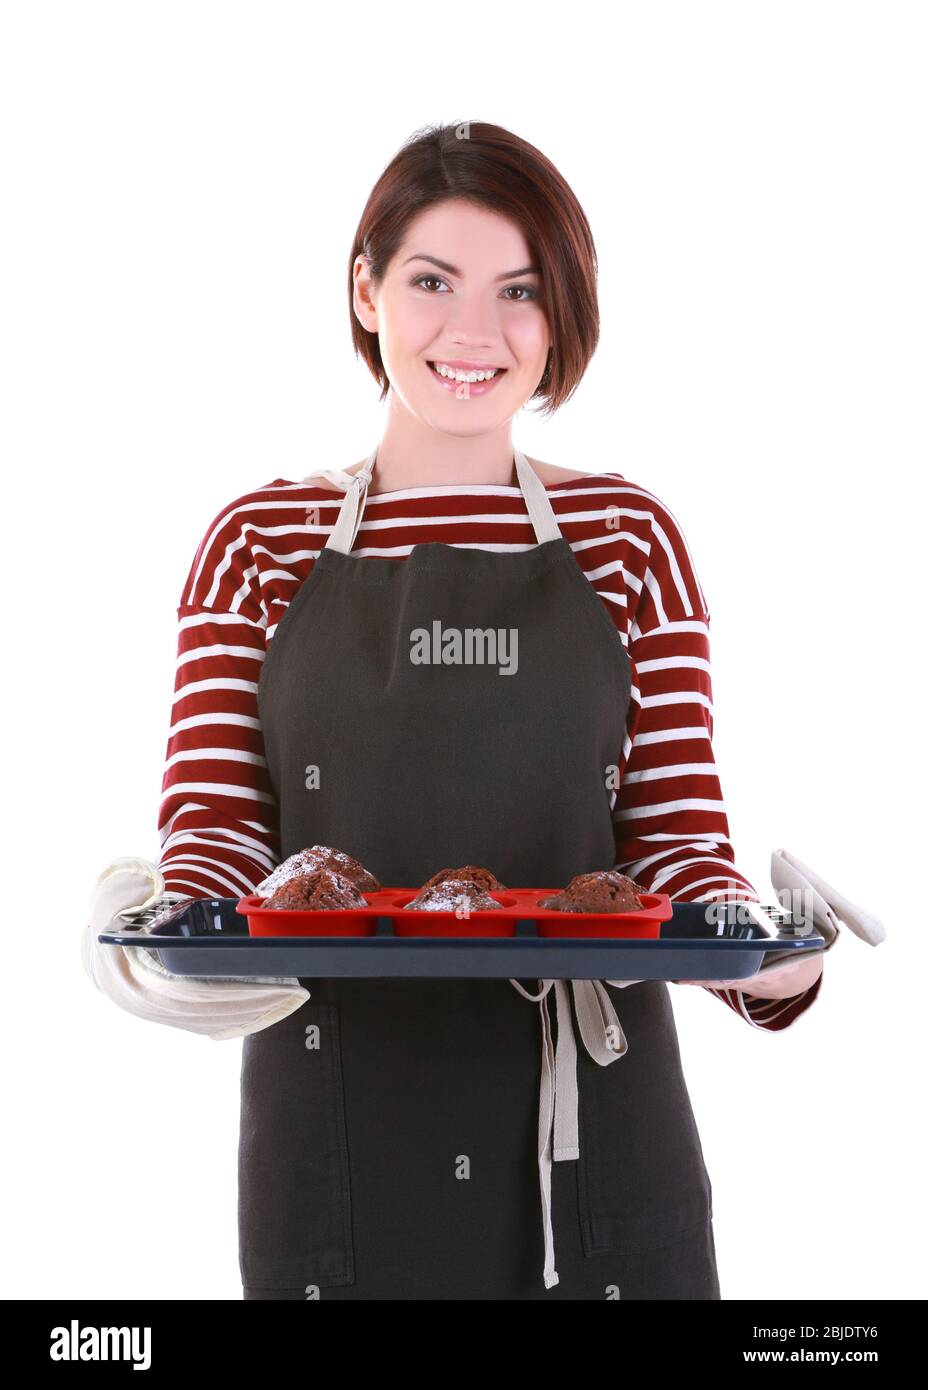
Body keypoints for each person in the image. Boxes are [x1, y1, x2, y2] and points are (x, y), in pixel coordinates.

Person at [91, 122, 824, 1300]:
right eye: (433, 280)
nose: (475, 333)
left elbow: (676, 846)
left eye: (520, 290)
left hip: (593, 1127)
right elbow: (222, 837)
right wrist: (171, 932)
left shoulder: (628, 540)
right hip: (332, 1116)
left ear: (562, 311)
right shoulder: (256, 544)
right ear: (365, 288)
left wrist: (766, 959)